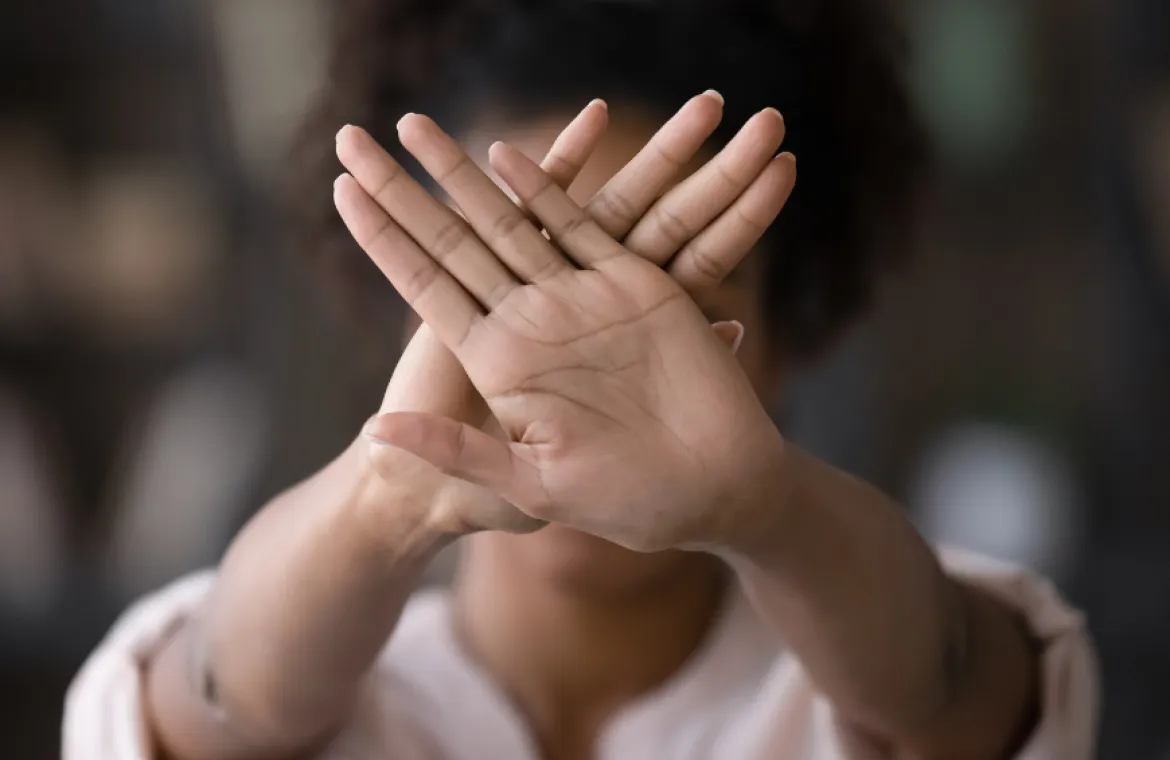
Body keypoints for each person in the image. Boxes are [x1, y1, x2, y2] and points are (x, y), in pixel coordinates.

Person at [64, 2, 1096, 759]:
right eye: (504, 285)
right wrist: (386, 495)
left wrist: (768, 506)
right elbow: (223, 697)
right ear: (402, 310)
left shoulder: (869, 649)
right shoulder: (321, 660)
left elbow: (947, 682)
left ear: (798, 327)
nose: (570, 387)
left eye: (685, 307)